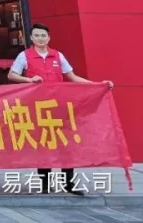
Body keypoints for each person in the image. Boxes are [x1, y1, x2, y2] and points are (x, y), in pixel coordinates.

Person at [8, 23, 114, 196]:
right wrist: (29, 80)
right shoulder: (24, 55)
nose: (40, 38)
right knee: (43, 144)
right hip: (38, 107)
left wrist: (97, 85)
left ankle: (68, 183)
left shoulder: (57, 55)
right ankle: (45, 184)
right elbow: (12, 75)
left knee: (66, 144)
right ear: (31, 38)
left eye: (43, 35)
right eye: (37, 35)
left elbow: (72, 77)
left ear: (48, 38)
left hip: (60, 107)